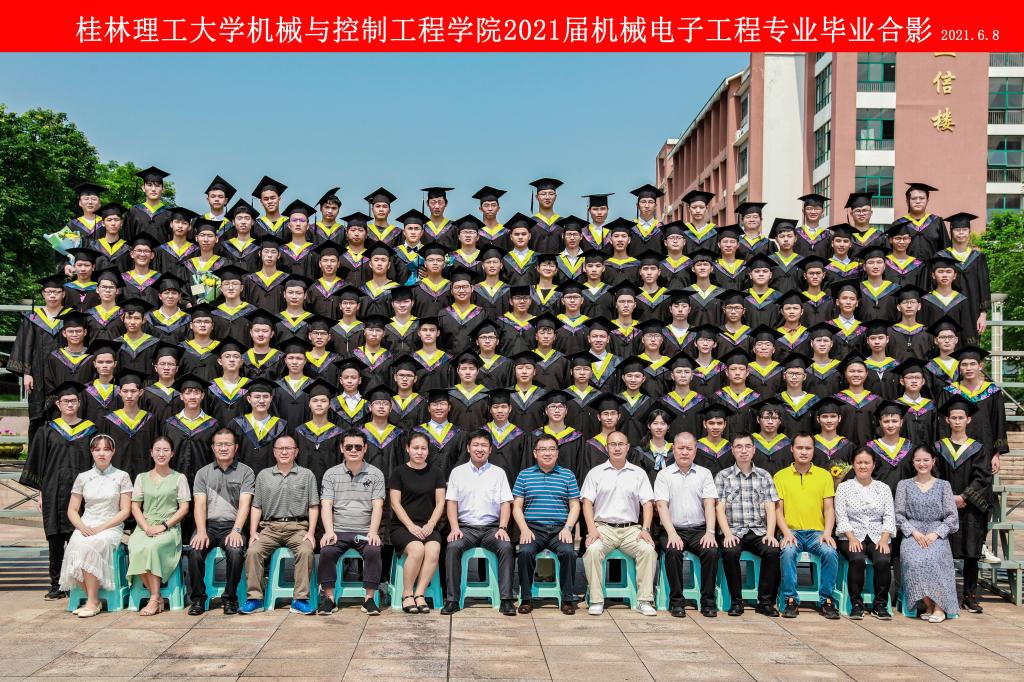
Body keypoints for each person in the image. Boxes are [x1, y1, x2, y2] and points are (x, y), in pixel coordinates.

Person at [21, 381, 96, 601]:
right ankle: (56, 585)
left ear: (79, 403)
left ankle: (76, 583)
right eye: (65, 401)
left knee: (78, 538)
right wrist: (41, 493)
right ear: (58, 404)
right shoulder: (47, 430)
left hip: (81, 493)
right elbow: (39, 463)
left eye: (73, 400)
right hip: (53, 490)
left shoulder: (91, 430)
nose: (70, 404)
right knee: (55, 539)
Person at [240, 435, 320, 615]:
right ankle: (255, 599)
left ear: (296, 452)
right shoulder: (264, 475)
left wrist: (311, 532)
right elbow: (257, 506)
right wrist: (253, 532)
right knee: (253, 552)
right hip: (270, 528)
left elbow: (313, 506)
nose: (284, 452)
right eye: (280, 448)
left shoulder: (307, 475)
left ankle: (300, 600)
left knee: (306, 551)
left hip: (298, 528)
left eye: (288, 448)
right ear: (274, 452)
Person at [581, 430, 658, 616]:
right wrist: (592, 530)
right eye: (613, 444)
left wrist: (646, 529)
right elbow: (587, 503)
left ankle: (644, 600)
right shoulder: (595, 473)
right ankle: (596, 599)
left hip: (631, 529)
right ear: (606, 447)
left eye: (621, 444)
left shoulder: (638, 473)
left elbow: (648, 504)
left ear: (627, 447)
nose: (617, 448)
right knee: (593, 550)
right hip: (603, 528)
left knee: (648, 550)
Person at [440, 430, 516, 616]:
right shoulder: (458, 473)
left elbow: (506, 503)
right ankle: (452, 600)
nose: (479, 449)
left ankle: (506, 599)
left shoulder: (498, 473)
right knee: (453, 547)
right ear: (468, 448)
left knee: (506, 547)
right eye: (475, 445)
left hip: (492, 529)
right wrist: (454, 528)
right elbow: (451, 503)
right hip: (466, 528)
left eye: (484, 445)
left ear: (490, 449)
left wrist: (502, 527)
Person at [60, 434, 133, 617]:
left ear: (113, 452)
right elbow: (72, 510)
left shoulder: (122, 476)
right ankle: (94, 599)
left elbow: (125, 511)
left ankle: (92, 602)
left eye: (106, 449)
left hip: (110, 526)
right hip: (86, 524)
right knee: (73, 547)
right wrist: (81, 527)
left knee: (90, 547)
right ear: (91, 452)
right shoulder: (83, 477)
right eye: (97, 449)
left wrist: (101, 528)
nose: (102, 453)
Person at [185, 427, 255, 616]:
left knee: (235, 551)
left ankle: (230, 598)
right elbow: (199, 505)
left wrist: (237, 530)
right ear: (213, 447)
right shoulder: (203, 473)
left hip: (233, 526)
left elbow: (245, 504)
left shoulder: (246, 472)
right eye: (219, 444)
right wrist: (201, 531)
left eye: (227, 444)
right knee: (195, 551)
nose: (223, 448)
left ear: (236, 447)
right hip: (208, 526)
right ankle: (198, 599)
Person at [316, 430, 385, 616]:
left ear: (365, 449)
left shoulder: (376, 474)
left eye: (358, 447)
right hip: (339, 530)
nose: (353, 450)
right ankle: (329, 599)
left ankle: (369, 600)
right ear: (341, 448)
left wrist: (373, 532)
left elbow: (378, 506)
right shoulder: (331, 474)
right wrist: (329, 531)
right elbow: (326, 505)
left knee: (373, 550)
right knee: (326, 551)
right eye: (348, 447)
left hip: (364, 530)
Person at [773, 432, 841, 619]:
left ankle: (826, 600)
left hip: (816, 533)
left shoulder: (824, 476)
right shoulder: (780, 476)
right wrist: (786, 532)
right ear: (792, 449)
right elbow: (778, 510)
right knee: (788, 552)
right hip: (791, 531)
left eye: (808, 448)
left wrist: (827, 533)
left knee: (830, 552)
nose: (803, 452)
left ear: (813, 450)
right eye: (799, 448)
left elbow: (829, 508)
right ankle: (790, 600)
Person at [512, 434, 581, 615]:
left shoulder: (567, 475)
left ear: (557, 453)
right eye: (543, 449)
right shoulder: (524, 475)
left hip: (560, 529)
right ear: (535, 453)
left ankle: (567, 599)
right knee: (525, 552)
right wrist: (524, 529)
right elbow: (517, 506)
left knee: (569, 553)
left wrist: (568, 528)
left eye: (551, 449)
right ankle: (526, 598)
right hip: (533, 529)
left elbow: (575, 505)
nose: (547, 453)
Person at [715, 432, 782, 617]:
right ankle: (737, 602)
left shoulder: (764, 475)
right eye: (739, 447)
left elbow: (770, 507)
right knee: (730, 552)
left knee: (772, 551)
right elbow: (719, 508)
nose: (743, 451)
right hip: (733, 531)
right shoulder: (723, 476)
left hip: (758, 531)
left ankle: (765, 602)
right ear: (732, 450)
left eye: (747, 447)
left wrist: (770, 534)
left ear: (754, 450)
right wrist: (727, 534)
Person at [654, 432, 719, 618]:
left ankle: (708, 601)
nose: (684, 452)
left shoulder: (704, 474)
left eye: (689, 448)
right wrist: (672, 533)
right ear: (673, 449)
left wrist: (710, 532)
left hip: (699, 530)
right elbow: (661, 506)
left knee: (711, 551)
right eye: (680, 448)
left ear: (695, 451)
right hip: (672, 529)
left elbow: (709, 504)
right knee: (673, 551)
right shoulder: (664, 475)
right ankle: (676, 601)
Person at [126, 437, 191, 616]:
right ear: (151, 453)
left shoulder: (179, 478)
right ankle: (156, 596)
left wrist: (164, 526)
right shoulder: (141, 478)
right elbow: (135, 507)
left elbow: (184, 508)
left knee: (153, 547)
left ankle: (154, 598)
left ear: (172, 454)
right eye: (157, 450)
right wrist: (146, 527)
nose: (161, 454)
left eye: (165, 450)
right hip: (144, 526)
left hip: (169, 528)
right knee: (136, 548)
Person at [896, 446, 960, 622]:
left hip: (936, 532)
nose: (922, 464)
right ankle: (928, 605)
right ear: (912, 462)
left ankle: (940, 607)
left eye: (926, 460)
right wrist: (913, 532)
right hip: (913, 532)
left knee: (933, 559)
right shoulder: (904, 485)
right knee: (914, 561)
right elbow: (898, 515)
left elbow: (952, 516)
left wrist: (936, 534)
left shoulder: (943, 485)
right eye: (918, 460)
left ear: (933, 461)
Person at [834, 448, 896, 620]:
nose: (863, 466)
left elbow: (889, 516)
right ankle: (856, 603)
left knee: (883, 560)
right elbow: (841, 516)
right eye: (859, 462)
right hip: (850, 534)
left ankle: (880, 604)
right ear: (853, 465)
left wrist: (884, 539)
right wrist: (851, 537)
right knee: (857, 559)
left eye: (867, 462)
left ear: (873, 465)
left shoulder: (883, 488)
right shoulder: (844, 487)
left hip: (878, 535)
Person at [389, 433, 446, 614]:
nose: (419, 452)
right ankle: (407, 594)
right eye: (415, 448)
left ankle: (420, 593)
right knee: (417, 549)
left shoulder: (436, 472)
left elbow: (441, 502)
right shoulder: (399, 472)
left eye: (423, 448)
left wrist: (431, 524)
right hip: (402, 526)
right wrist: (410, 526)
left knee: (433, 549)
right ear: (408, 449)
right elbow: (395, 503)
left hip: (428, 525)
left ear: (428, 451)